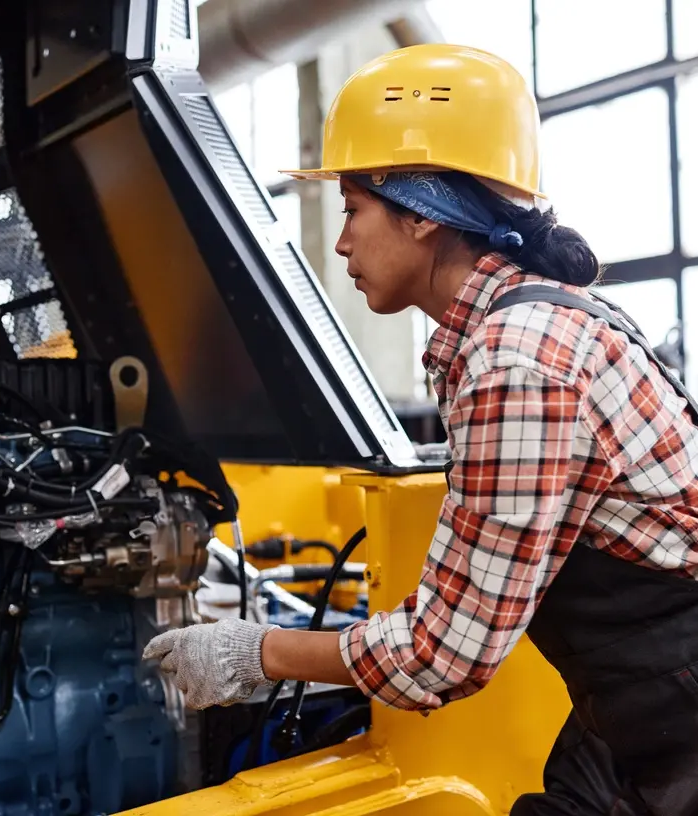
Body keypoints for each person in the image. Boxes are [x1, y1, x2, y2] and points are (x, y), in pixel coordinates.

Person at [143, 43, 698, 814]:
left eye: (351, 210)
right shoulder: (516, 328)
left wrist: (254, 652)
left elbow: (443, 656)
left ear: (422, 214)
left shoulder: (517, 359)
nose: (339, 244)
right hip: (637, 700)